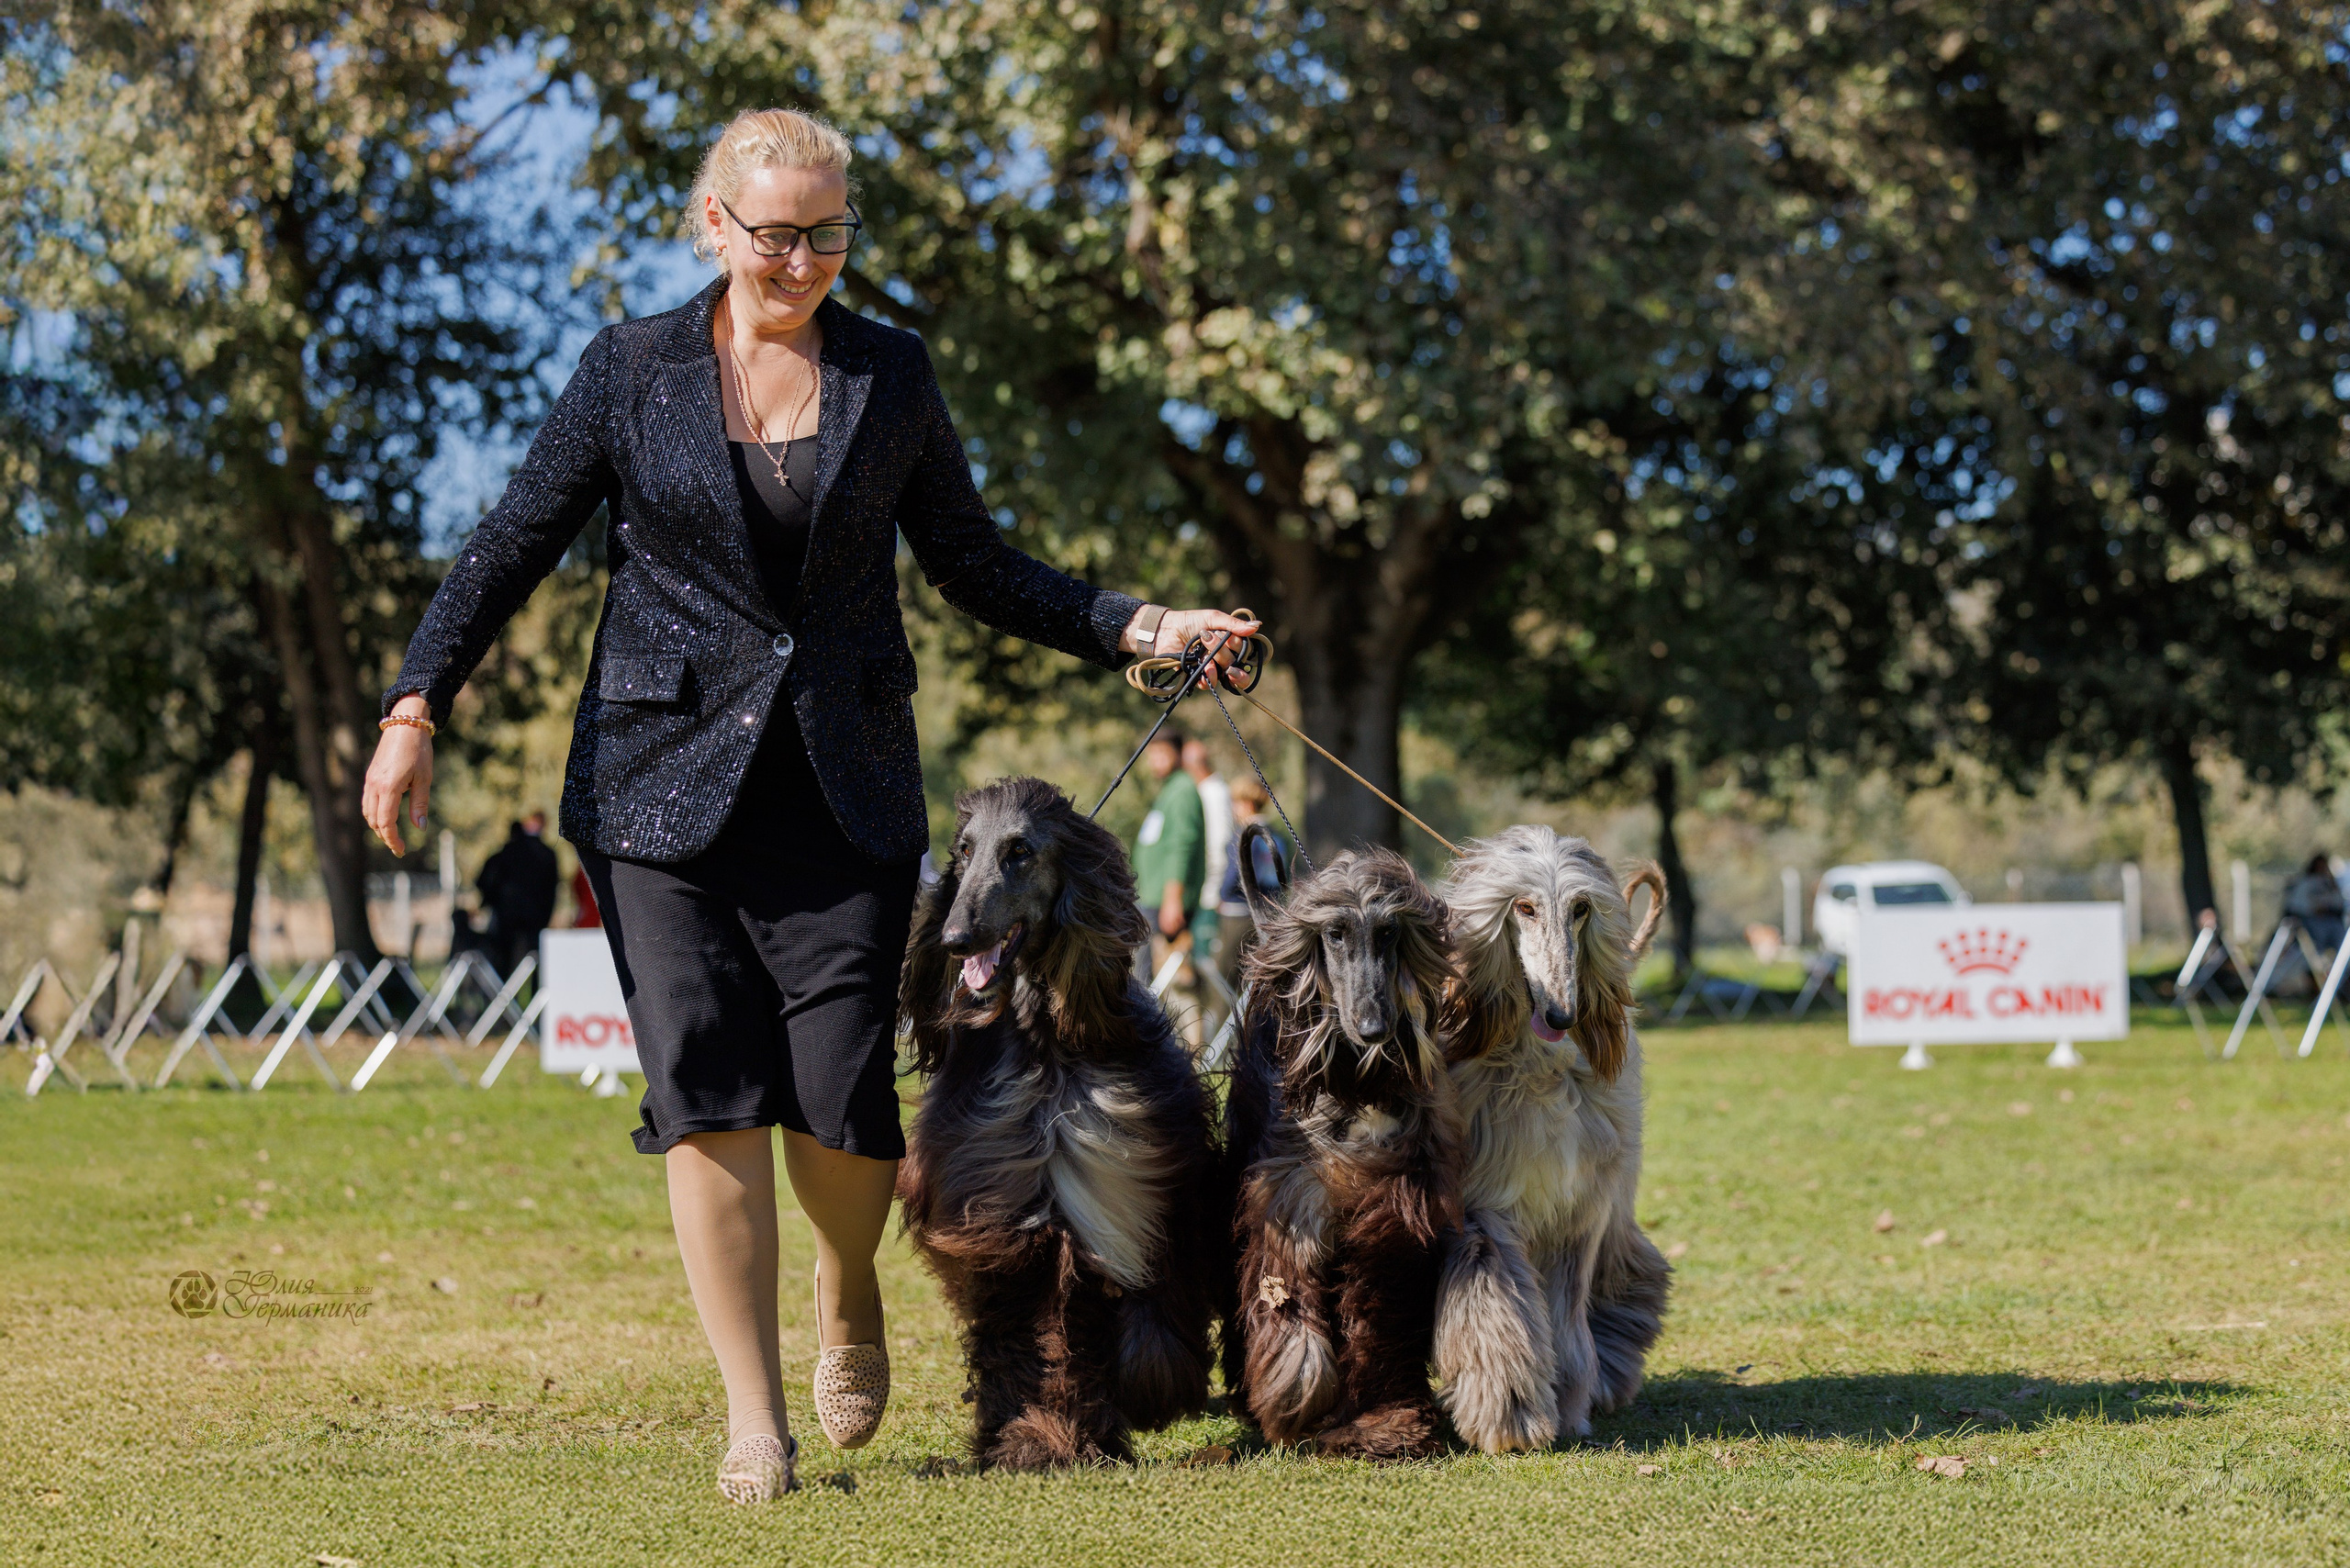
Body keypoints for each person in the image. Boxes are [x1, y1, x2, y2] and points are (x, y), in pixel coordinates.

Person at [359, 107, 1259, 1505]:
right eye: (776, 232)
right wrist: (416, 704)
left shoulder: (890, 373)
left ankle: (849, 1285)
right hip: (654, 785)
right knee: (705, 1087)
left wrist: (1138, 624)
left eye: (828, 232)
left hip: (845, 785)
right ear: (713, 225)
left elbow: (970, 559)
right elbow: (510, 540)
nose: (803, 259)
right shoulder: (630, 370)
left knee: (842, 1094)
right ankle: (751, 1414)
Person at [1131, 725, 1207, 1040]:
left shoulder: (1183, 790)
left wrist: (1173, 898)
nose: (1155, 761)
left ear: (1178, 754)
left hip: (1165, 905)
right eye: (1152, 755)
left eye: (1162, 753)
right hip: (1152, 901)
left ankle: (1192, 1050)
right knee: (1153, 980)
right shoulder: (1168, 791)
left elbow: (1183, 845)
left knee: (1169, 981)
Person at [1215, 774, 1293, 997]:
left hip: (1238, 913)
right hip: (1270, 912)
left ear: (1247, 804)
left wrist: (1222, 895)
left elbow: (1235, 874)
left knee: (1225, 976)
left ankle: (1227, 1028)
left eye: (1236, 803)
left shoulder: (1244, 835)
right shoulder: (1276, 835)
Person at [476, 812, 559, 976]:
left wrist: (491, 902)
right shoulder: (546, 854)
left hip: (507, 916)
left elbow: (484, 881)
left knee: (504, 962)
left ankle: (504, 996)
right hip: (536, 917)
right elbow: (552, 888)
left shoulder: (504, 854)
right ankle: (537, 995)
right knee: (537, 962)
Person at [1184, 737, 1232, 974]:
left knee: (1205, 962)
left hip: (1209, 894)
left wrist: (1213, 891)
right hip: (1202, 891)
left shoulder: (1213, 794)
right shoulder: (1208, 791)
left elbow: (1219, 845)